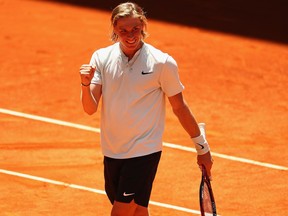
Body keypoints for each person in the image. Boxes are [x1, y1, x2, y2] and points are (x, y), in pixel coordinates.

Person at [79, 2, 213, 216]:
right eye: (123, 30)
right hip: (112, 150)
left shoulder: (162, 63)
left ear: (143, 26)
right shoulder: (101, 58)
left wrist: (202, 147)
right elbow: (89, 108)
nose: (130, 35)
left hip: (144, 150)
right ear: (114, 28)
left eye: (135, 29)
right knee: (138, 211)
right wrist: (85, 84)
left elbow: (179, 107)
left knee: (121, 212)